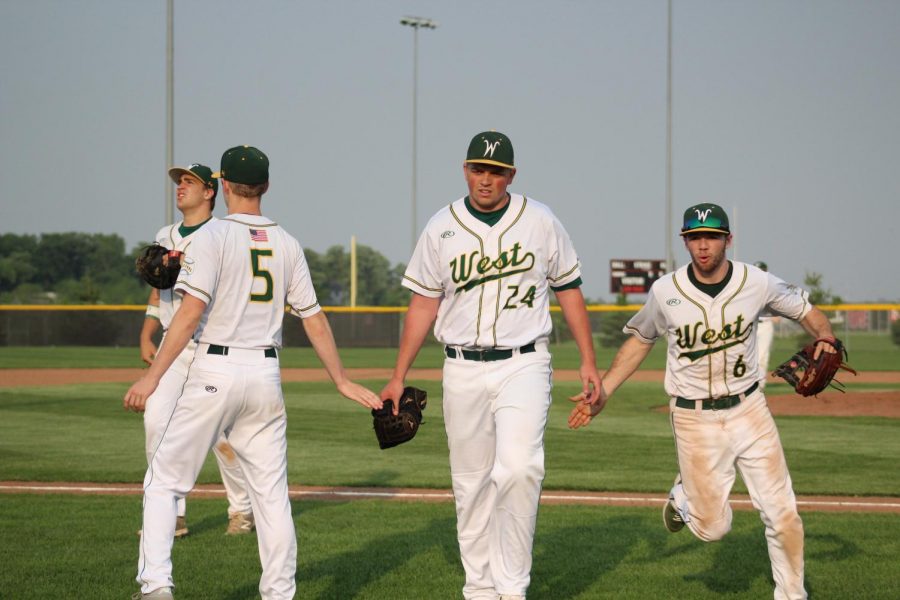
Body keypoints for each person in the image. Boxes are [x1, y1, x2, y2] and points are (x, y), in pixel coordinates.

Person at [124, 145, 382, 600]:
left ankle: (156, 586)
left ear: (223, 186)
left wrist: (153, 376)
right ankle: (279, 594)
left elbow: (187, 315)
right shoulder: (287, 242)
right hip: (265, 375)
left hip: (214, 370)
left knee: (163, 481)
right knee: (271, 497)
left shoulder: (211, 237)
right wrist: (340, 379)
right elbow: (314, 318)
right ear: (264, 186)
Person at [569, 203, 839, 600]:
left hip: (750, 409)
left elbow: (806, 311)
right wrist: (605, 390)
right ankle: (683, 496)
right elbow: (641, 340)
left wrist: (826, 337)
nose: (703, 246)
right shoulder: (666, 291)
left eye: (711, 236)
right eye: (695, 238)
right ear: (685, 242)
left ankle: (792, 595)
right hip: (694, 418)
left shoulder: (755, 281)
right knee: (714, 529)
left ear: (728, 240)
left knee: (782, 514)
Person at [381, 131, 601, 600]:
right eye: (478, 169)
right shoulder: (441, 225)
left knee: (520, 469)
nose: (486, 179)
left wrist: (587, 359)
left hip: (524, 362)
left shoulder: (540, 220)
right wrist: (399, 374)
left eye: (496, 171)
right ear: (465, 170)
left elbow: (569, 290)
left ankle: (513, 587)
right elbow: (423, 304)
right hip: (460, 366)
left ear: (511, 176)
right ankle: (479, 588)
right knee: (471, 484)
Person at [138, 163, 255, 538]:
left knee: (221, 437)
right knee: (156, 423)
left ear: (209, 192)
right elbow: (159, 289)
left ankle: (242, 509)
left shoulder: (223, 234)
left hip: (211, 345)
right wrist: (147, 332)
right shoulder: (166, 233)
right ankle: (171, 516)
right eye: (178, 182)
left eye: (189, 182)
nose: (180, 187)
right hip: (172, 345)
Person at [754, 261, 776, 389]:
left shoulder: (771, 285)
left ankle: (760, 385)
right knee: (747, 356)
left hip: (766, 324)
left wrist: (777, 314)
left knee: (762, 356)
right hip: (752, 324)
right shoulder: (748, 286)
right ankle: (748, 385)